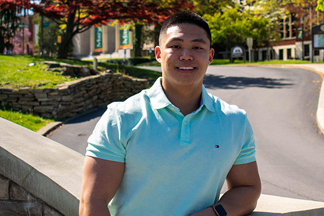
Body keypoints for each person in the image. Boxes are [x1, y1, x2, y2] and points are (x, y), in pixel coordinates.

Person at [80, 11, 261, 216]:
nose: (186, 55)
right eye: (175, 46)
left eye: (197, 47)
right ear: (158, 54)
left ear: (210, 56)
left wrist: (213, 214)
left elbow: (248, 188)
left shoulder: (235, 121)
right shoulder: (121, 118)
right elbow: (92, 202)